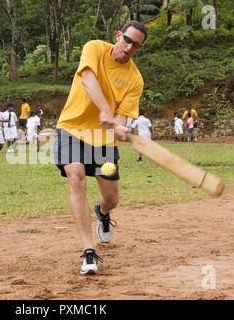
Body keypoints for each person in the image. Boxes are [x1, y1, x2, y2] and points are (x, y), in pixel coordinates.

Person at [53, 21, 147, 275]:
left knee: (112, 198)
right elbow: (87, 78)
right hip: (71, 128)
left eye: (136, 45)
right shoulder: (94, 48)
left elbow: (124, 116)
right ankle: (88, 251)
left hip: (103, 140)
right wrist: (105, 109)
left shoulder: (135, 79)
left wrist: (119, 126)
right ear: (118, 35)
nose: (129, 47)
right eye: (127, 40)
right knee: (77, 178)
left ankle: (102, 212)